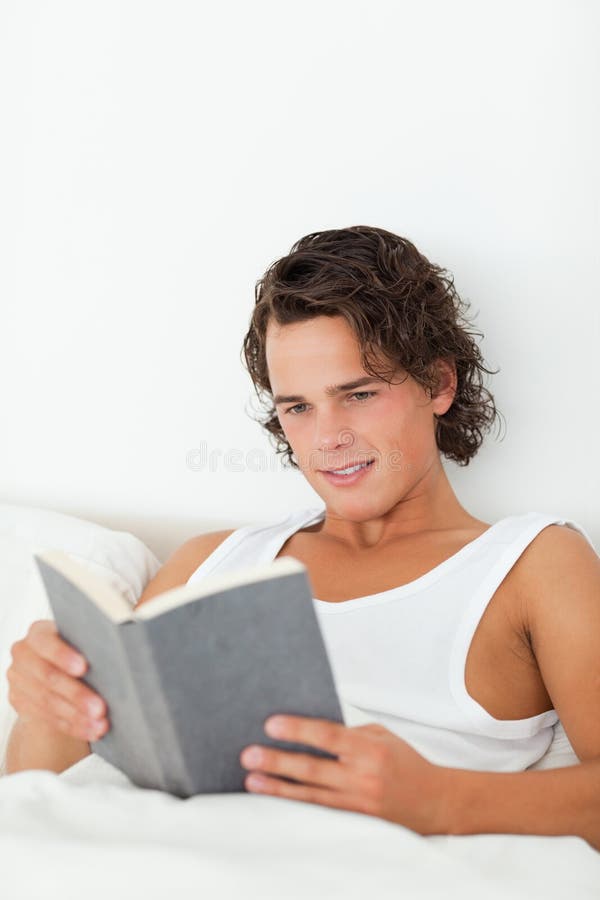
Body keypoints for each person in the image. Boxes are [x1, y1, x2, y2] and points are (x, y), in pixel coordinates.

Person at [5, 226, 600, 849]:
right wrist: (48, 700)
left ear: (440, 384)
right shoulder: (208, 563)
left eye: (359, 394)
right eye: (298, 408)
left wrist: (441, 798)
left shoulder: (531, 566)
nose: (327, 437)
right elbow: (36, 799)